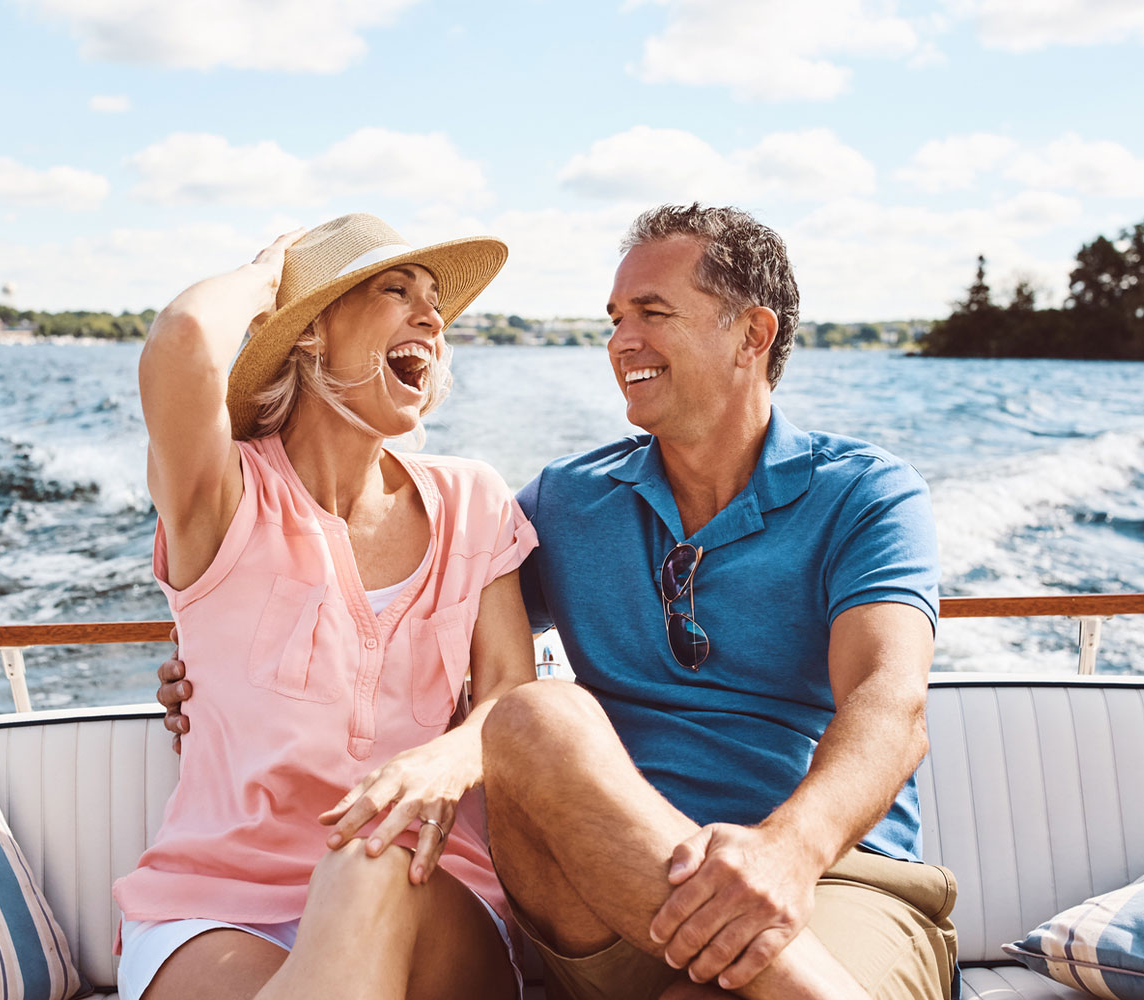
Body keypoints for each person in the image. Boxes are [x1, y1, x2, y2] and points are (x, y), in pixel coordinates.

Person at [158, 203, 954, 1000]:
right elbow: (407, 620)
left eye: (653, 313)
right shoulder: (567, 503)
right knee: (538, 717)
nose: (621, 341)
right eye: (614, 319)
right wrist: (217, 659)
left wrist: (787, 850)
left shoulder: (864, 495)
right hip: (604, 893)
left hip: (829, 878)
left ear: (752, 334)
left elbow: (890, 705)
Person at [117, 212, 537, 1000]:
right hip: (217, 907)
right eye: (394, 289)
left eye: (435, 300)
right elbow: (180, 341)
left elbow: (514, 691)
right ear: (310, 335)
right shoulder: (225, 498)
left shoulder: (473, 500)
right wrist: (266, 278)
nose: (432, 316)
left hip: (425, 889)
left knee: (369, 855)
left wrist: (449, 756)